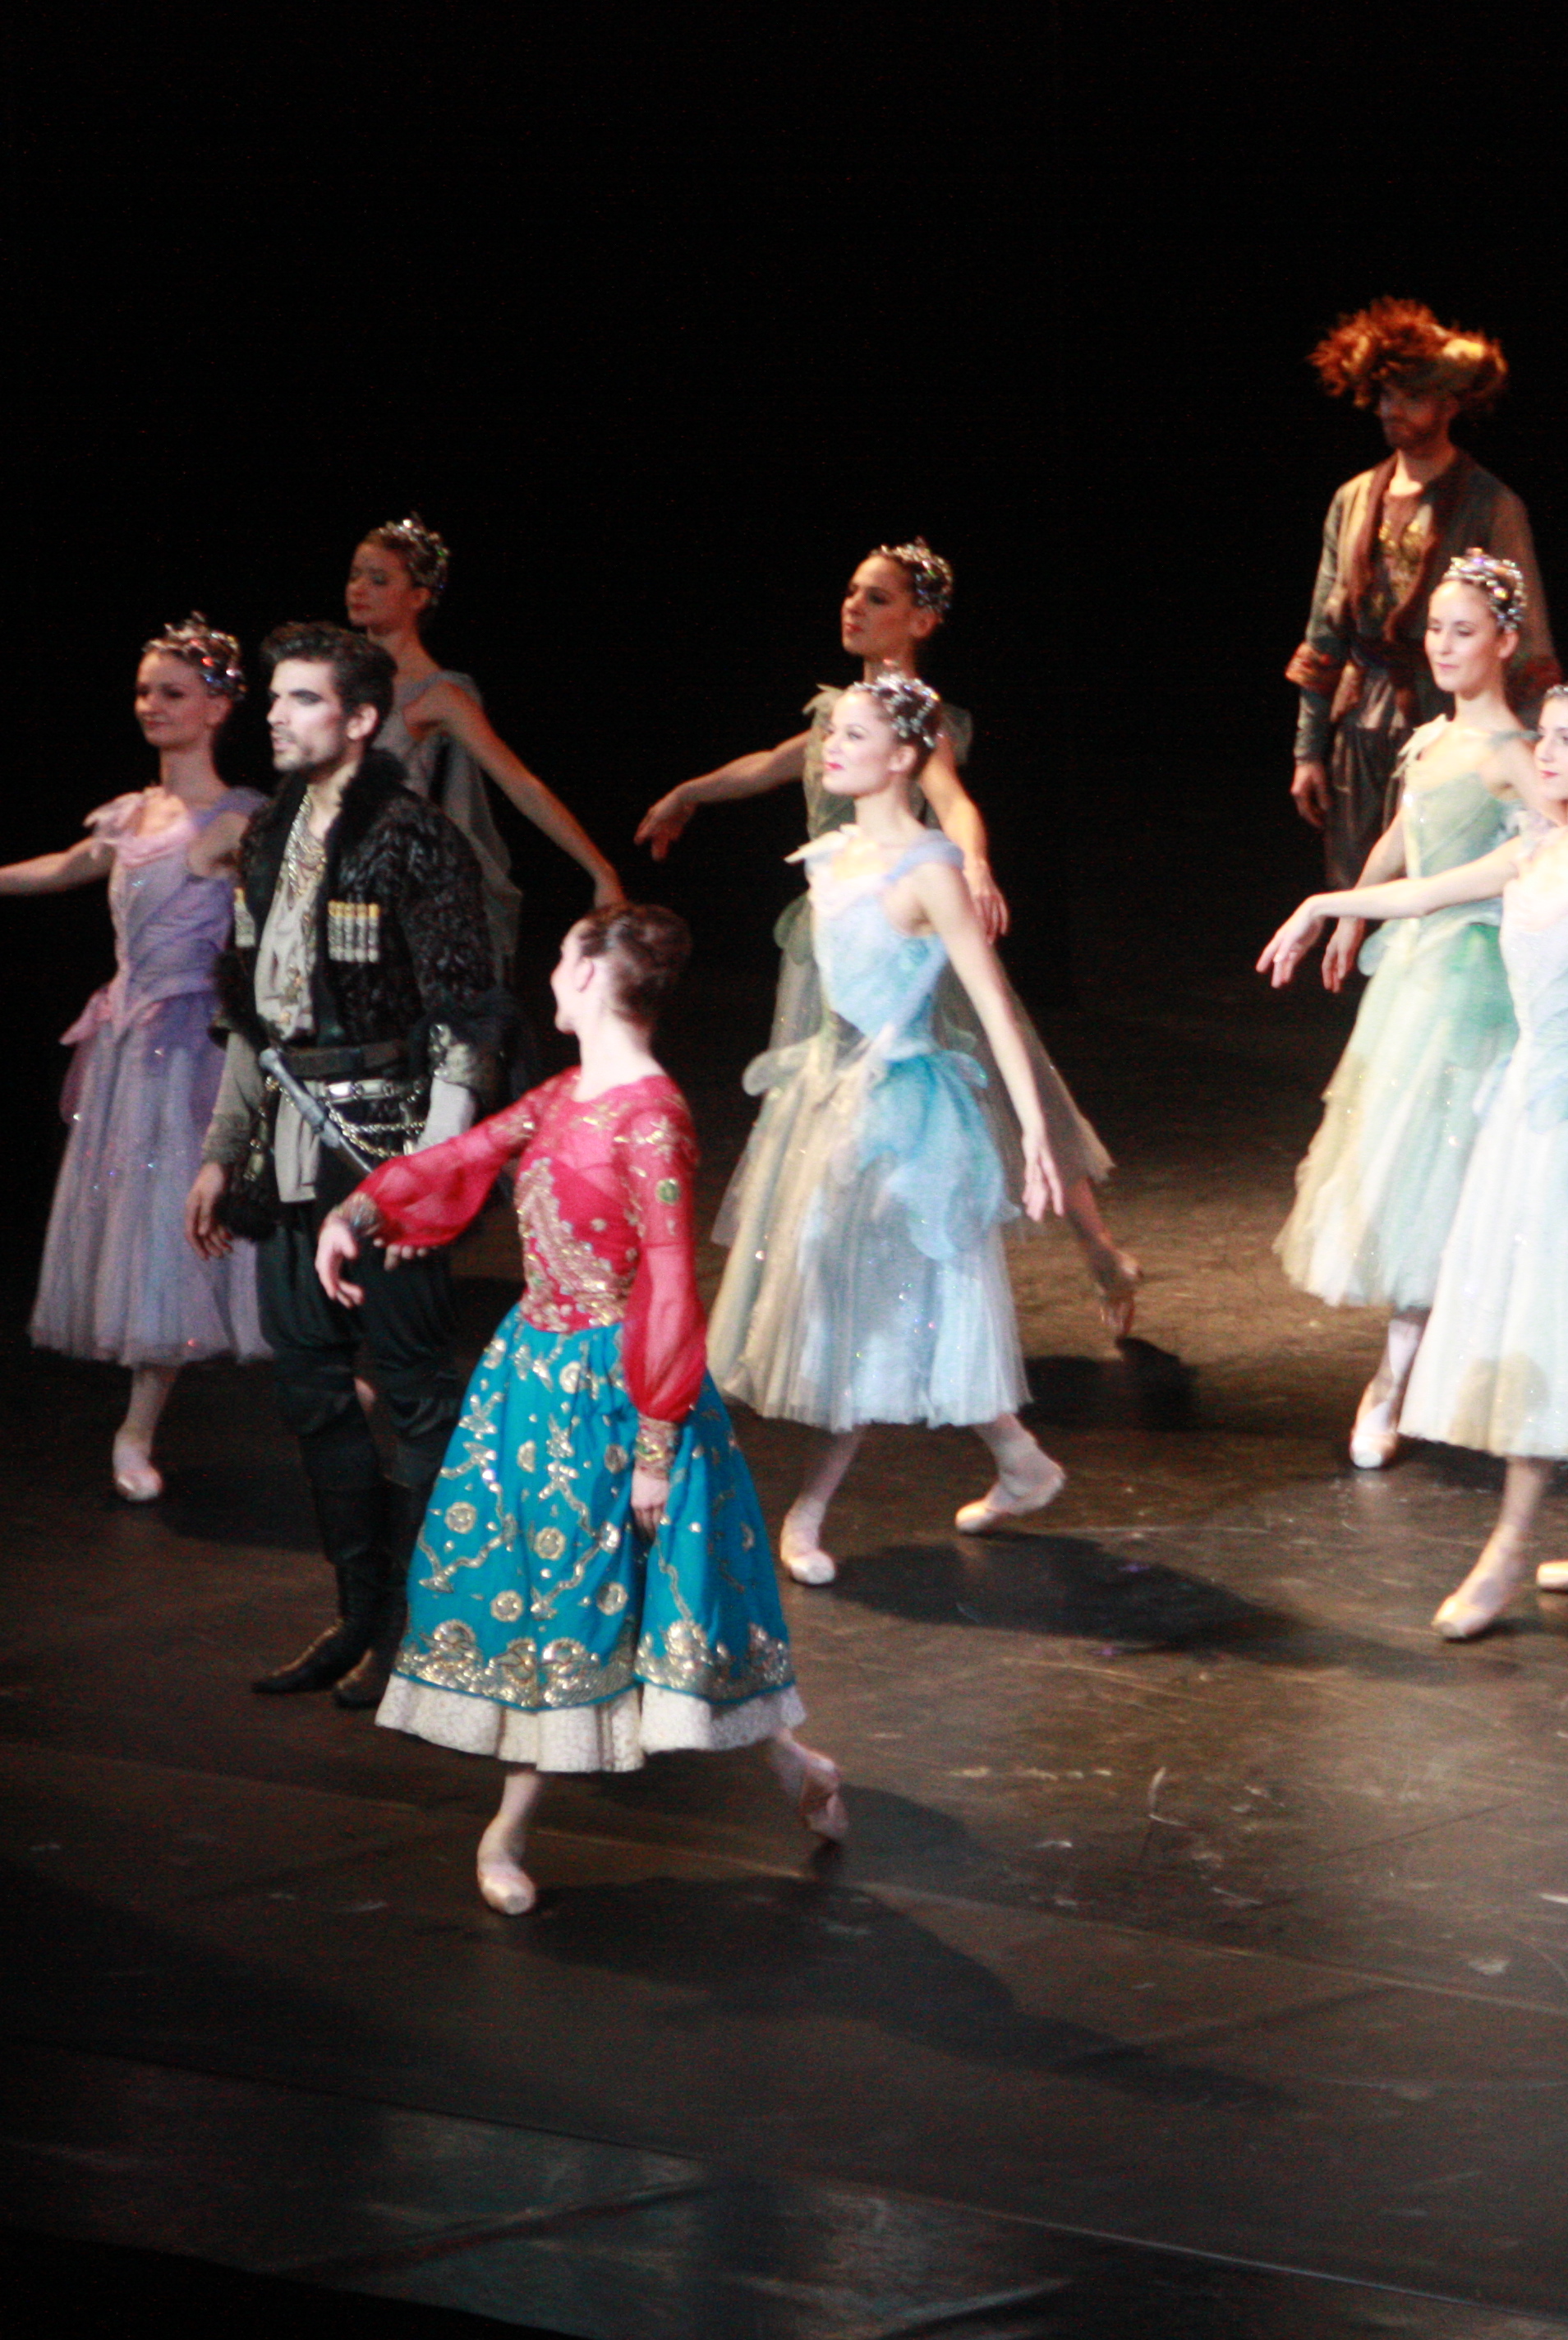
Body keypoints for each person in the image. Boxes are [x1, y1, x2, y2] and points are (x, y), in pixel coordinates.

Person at [323, 905, 844, 1914]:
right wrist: (359, 1209)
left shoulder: (651, 1116)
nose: (552, 972)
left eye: (565, 956)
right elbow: (467, 1154)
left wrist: (655, 1442)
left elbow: (670, 1283)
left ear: (597, 976)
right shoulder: (567, 1094)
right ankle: (795, 1767)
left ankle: (511, 1828)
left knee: (605, 1601)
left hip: (617, 1391)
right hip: (533, 1378)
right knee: (564, 1598)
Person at [1262, 661, 1568, 1639]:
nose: (1548, 753)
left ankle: (1506, 1550)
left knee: (1558, 1318)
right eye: (1546, 737)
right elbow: (1423, 891)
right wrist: (1326, 906)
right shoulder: (1533, 857)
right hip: (1523, 1116)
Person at [633, 541, 1139, 1334]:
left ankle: (1097, 1251)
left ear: (921, 621)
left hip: (902, 939)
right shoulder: (841, 715)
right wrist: (687, 794)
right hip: (835, 939)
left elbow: (954, 798)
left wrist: (973, 862)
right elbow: (776, 762)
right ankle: (802, 1305)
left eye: (877, 598)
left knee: (996, 1091)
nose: (854, 608)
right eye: (851, 592)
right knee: (819, 1106)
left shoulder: (915, 719)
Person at [186, 624, 501, 1707]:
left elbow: (463, 1022)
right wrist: (221, 1152)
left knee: (412, 1388)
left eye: (304, 699)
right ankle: (358, 1614)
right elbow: (253, 1018)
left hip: (386, 1145)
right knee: (312, 1388)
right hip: (286, 1146)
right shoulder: (268, 837)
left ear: (361, 719)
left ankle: (419, 1626)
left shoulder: (416, 842)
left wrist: (426, 1177)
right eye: (276, 698)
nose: (276, 715)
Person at [705, 677, 1069, 1582]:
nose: (831, 747)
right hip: (833, 1095)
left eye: (853, 735)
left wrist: (1035, 1135)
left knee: (869, 1302)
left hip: (904, 1114)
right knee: (871, 1299)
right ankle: (1020, 1458)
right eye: (831, 731)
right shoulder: (831, 855)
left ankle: (811, 1508)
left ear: (903, 756)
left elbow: (993, 1006)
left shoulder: (928, 872)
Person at [1275, 550, 1538, 1470]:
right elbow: (1405, 831)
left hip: (1477, 980)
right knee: (1417, 1177)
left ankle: (1438, 1377)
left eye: (1465, 631)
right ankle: (1395, 1379)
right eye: (1435, 629)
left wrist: (1355, 906)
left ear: (1506, 641)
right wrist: (1360, 905)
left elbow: (1540, 855)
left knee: (1465, 1176)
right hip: (1420, 975)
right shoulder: (1430, 740)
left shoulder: (1516, 755)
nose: (1444, 645)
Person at [3, 619, 269, 1500]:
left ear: (218, 708)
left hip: (189, 1048)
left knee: (194, 1223)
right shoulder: (128, 816)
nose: (152, 705)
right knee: (147, 1230)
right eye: (145, 691)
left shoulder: (236, 821)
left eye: (173, 693)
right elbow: (62, 867)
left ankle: (152, 1421)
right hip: (126, 1045)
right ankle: (138, 1426)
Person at [1282, 301, 1559, 888]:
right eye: (1386, 396)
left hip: (1452, 721)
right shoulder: (1354, 499)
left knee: (1438, 880)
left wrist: (1537, 760)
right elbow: (1323, 635)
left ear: (1449, 404)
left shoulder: (1491, 506)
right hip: (1361, 719)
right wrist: (1308, 751)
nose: (1392, 409)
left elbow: (1528, 641)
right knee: (1356, 884)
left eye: (1410, 397)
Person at [345, 513, 623, 974]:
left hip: (386, 882)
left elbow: (521, 784)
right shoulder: (332, 677)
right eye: (355, 575)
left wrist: (599, 869)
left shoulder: (438, 695)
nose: (358, 588)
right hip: (319, 869)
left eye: (378, 579)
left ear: (418, 597)